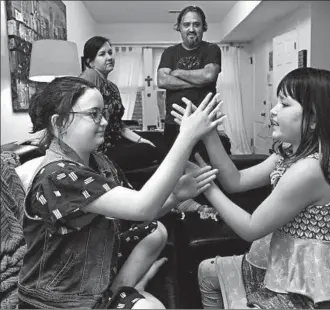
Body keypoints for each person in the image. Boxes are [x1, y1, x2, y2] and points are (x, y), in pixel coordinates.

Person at [172, 68, 330, 309]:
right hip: (287, 258)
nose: (273, 110)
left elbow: (250, 228)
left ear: (313, 119)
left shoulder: (310, 169)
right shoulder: (289, 153)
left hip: (309, 282)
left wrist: (206, 187)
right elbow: (235, 181)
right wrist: (208, 134)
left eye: (284, 104)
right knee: (208, 271)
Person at [18, 76, 225, 309]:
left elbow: (136, 214)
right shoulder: (57, 177)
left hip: (89, 274)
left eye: (103, 112)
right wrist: (186, 136)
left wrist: (175, 195)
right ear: (59, 123)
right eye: (93, 114)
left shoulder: (100, 162)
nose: (105, 121)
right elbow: (142, 206)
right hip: (56, 300)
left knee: (155, 232)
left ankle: (117, 292)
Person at [80, 36, 162, 171]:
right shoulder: (90, 76)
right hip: (100, 150)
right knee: (152, 151)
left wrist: (140, 140)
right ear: (90, 62)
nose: (109, 57)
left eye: (110, 53)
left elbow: (119, 125)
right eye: (102, 54)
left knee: (155, 142)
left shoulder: (112, 87)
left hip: (116, 142)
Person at [157, 5, 221, 153]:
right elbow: (162, 80)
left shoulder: (212, 49)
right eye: (186, 24)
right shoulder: (170, 52)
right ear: (179, 27)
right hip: (174, 123)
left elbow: (209, 75)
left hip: (204, 121)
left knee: (206, 169)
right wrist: (199, 82)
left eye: (196, 24)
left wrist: (178, 72)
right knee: (174, 171)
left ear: (203, 27)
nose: (191, 29)